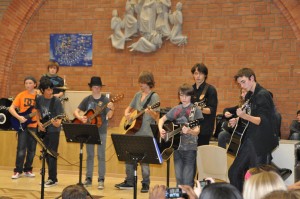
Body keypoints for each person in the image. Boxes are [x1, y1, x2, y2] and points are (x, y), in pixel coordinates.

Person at [228, 68, 279, 192]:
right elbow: (249, 116)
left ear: (252, 78)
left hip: (260, 142)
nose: (241, 86)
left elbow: (261, 120)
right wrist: (238, 120)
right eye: (239, 83)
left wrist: (244, 116)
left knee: (257, 180)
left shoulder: (262, 95)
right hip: (250, 139)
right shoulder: (251, 95)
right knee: (234, 173)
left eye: (243, 82)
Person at [115, 71, 160, 193]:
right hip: (134, 131)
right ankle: (129, 181)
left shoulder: (154, 97)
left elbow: (157, 117)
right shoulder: (137, 95)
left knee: (145, 160)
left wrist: (150, 112)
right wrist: (127, 114)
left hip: (146, 132)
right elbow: (129, 108)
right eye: (140, 82)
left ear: (148, 83)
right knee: (129, 156)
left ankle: (145, 183)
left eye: (143, 82)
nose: (140, 84)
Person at [73, 76, 115, 190]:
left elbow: (109, 116)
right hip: (89, 130)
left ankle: (101, 180)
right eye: (94, 87)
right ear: (91, 87)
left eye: (98, 87)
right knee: (90, 155)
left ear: (100, 88)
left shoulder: (106, 100)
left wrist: (112, 108)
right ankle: (88, 178)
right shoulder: (87, 99)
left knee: (101, 155)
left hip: (101, 131)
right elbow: (75, 111)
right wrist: (81, 117)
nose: (96, 89)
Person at [158, 83, 203, 187]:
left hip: (190, 150)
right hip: (176, 149)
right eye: (182, 95)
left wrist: (190, 131)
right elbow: (161, 120)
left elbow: (197, 130)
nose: (184, 98)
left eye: (187, 95)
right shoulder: (176, 109)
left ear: (191, 96)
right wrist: (161, 130)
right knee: (179, 180)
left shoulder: (195, 110)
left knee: (187, 181)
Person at [36, 78, 64, 187]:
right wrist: (39, 123)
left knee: (52, 154)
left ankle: (52, 179)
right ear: (42, 90)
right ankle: (52, 178)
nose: (50, 91)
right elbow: (37, 111)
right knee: (46, 155)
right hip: (43, 130)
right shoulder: (39, 99)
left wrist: (57, 123)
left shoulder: (56, 101)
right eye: (47, 90)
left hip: (53, 131)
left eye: (51, 89)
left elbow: (60, 117)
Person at [8, 76, 38, 179]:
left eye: (30, 83)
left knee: (32, 150)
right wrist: (19, 117)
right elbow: (11, 108)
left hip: (34, 126)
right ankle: (18, 171)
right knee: (21, 149)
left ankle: (28, 169)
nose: (28, 85)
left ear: (35, 84)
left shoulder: (39, 96)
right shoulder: (21, 95)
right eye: (26, 83)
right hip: (23, 126)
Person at [191, 63, 218, 146]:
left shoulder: (210, 90)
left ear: (205, 75)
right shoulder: (190, 89)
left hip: (204, 128)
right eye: (196, 73)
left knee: (202, 156)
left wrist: (199, 108)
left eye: (201, 73)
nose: (198, 76)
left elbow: (211, 110)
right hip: (191, 127)